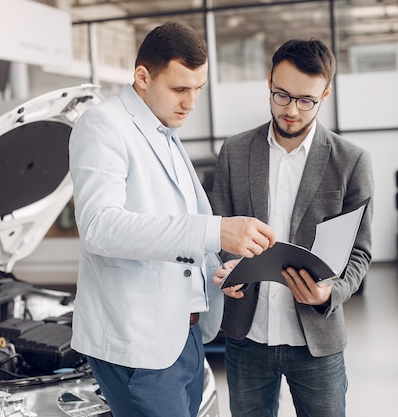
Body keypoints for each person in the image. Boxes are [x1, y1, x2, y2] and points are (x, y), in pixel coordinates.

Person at [68, 21, 275, 417]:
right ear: (142, 77)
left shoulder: (163, 129)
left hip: (187, 332)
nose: (191, 102)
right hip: (139, 341)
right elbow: (99, 226)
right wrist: (215, 231)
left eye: (198, 89)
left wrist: (218, 268)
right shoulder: (103, 125)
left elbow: (177, 226)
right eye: (180, 89)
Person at [211, 38, 374, 417]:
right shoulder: (234, 152)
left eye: (306, 101)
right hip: (246, 338)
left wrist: (328, 294)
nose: (291, 110)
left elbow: (360, 252)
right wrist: (229, 265)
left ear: (325, 94)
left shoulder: (352, 161)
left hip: (316, 341)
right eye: (281, 95)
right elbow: (219, 229)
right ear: (269, 81)